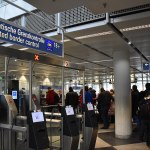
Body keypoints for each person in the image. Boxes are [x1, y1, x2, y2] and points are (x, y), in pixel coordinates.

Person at [138, 83, 150, 148]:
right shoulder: (146, 95)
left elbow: (139, 103)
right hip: (147, 115)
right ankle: (148, 142)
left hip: (143, 114)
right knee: (147, 129)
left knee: (144, 127)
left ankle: (141, 137)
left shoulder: (142, 94)